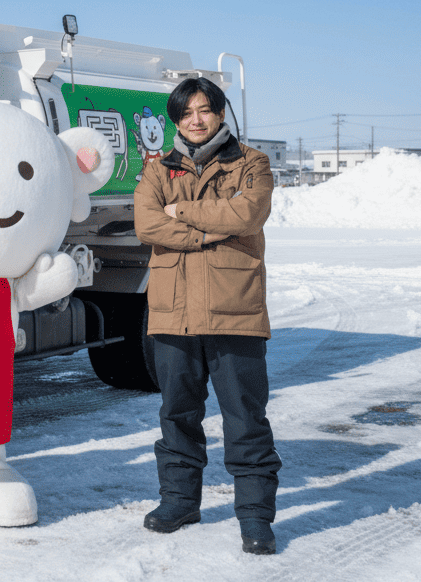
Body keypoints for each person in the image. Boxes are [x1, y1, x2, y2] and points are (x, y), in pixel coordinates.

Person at [134, 76, 281, 555]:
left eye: (204, 110)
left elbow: (247, 216)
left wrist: (183, 212)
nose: (195, 120)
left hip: (233, 311)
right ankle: (179, 502)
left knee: (245, 418)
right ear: (176, 120)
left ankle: (256, 519)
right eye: (185, 113)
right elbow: (147, 224)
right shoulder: (158, 171)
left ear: (220, 113)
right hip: (172, 316)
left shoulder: (252, 162)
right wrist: (202, 230)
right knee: (177, 414)